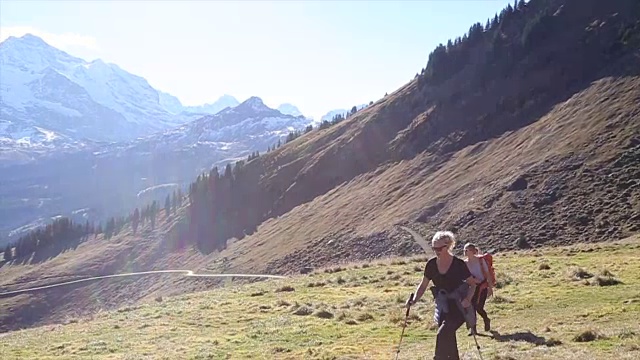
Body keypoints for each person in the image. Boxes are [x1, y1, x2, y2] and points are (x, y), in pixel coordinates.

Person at [406, 231, 477, 360]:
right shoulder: (431, 265)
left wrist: (468, 299)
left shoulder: (458, 264)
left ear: (448, 246)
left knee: (443, 333)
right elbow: (423, 285)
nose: (436, 251)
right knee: (448, 336)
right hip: (443, 306)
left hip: (459, 306)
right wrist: (414, 300)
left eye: (439, 248)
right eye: (434, 248)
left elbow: (473, 285)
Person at [463, 242, 493, 333]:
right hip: (472, 287)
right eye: (464, 250)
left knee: (479, 307)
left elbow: (488, 274)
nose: (464, 252)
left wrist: (490, 288)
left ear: (472, 251)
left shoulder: (481, 260)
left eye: (466, 250)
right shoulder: (465, 263)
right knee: (471, 307)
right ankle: (473, 329)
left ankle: (486, 319)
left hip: (482, 287)